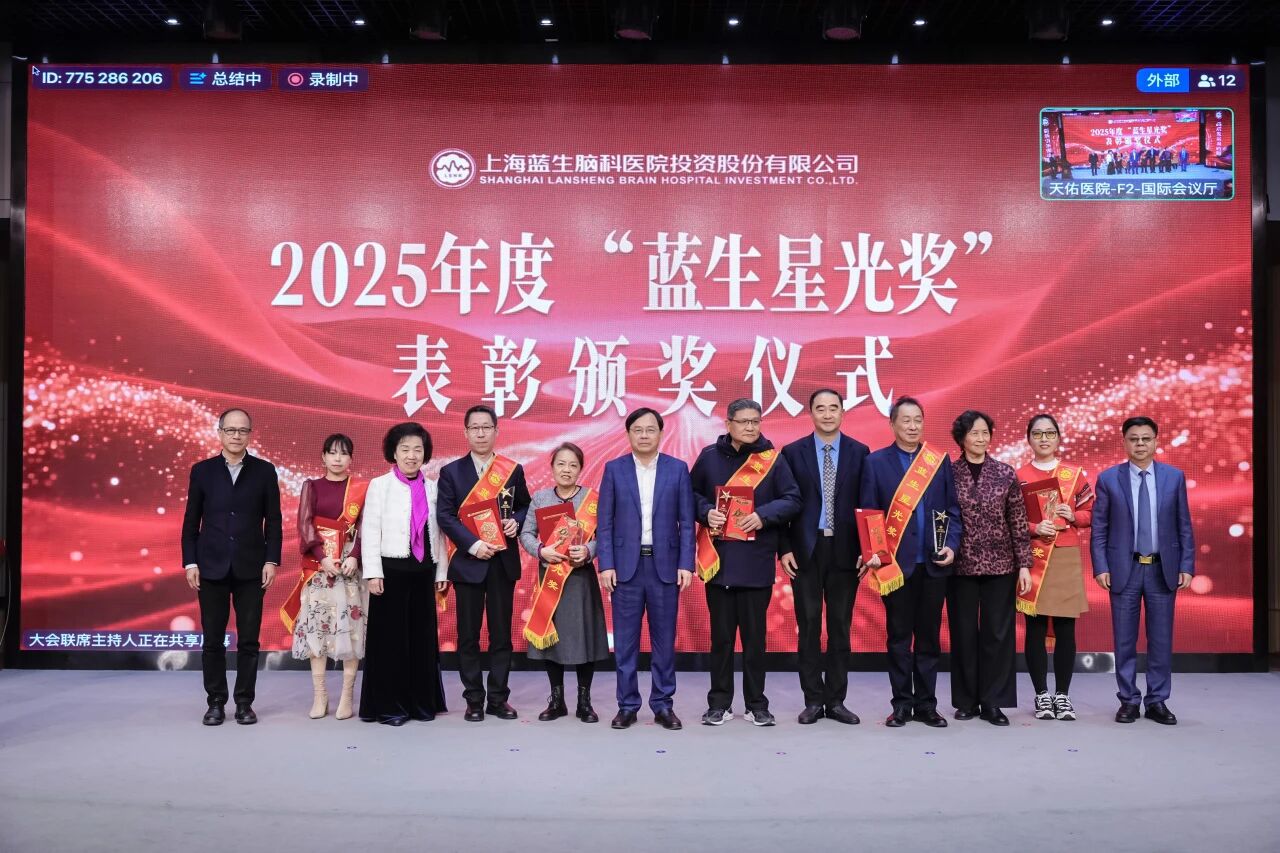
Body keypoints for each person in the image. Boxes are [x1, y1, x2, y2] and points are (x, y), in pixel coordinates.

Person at [691, 398, 801, 727]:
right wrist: (705, 511)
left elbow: (793, 499)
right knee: (721, 640)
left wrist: (762, 515)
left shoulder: (773, 459)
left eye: (755, 421)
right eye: (744, 422)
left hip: (756, 562)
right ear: (729, 424)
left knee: (755, 641)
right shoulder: (709, 457)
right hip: (719, 561)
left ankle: (757, 704)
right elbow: (691, 494)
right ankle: (719, 703)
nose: (751, 427)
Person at [859, 396, 961, 728]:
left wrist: (952, 546)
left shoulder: (938, 461)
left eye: (918, 419)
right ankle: (901, 704)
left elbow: (953, 510)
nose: (913, 426)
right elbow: (870, 513)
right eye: (906, 420)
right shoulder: (875, 462)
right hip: (894, 567)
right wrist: (874, 553)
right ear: (892, 424)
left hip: (933, 564)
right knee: (899, 638)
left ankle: (927, 705)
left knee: (929, 638)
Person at [1091, 416, 1195, 726]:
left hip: (1163, 568)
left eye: (1146, 438)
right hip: (1125, 568)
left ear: (1156, 441)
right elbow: (1099, 528)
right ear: (1124, 442)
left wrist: (1187, 565)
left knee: (1160, 640)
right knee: (1124, 640)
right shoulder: (1109, 479)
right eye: (1134, 439)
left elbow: (1184, 525)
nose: (1140, 444)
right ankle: (1128, 700)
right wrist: (1101, 566)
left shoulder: (1173, 477)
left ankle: (1157, 700)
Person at [181, 407, 282, 726]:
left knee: (249, 640)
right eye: (231, 430)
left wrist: (271, 559)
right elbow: (191, 520)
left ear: (250, 434)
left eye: (243, 430)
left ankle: (244, 703)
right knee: (213, 640)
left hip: (252, 567)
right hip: (210, 566)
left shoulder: (264, 471)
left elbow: (274, 520)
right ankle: (215, 702)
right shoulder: (203, 471)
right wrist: (190, 561)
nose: (237, 436)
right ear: (220, 433)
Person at [598, 407, 695, 730]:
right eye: (637, 430)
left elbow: (687, 523)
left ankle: (663, 704)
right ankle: (627, 705)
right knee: (625, 643)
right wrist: (606, 564)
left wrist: (686, 563)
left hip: (664, 567)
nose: (644, 435)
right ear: (628, 434)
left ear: (660, 433)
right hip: (625, 568)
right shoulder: (614, 469)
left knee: (663, 642)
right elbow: (604, 522)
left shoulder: (677, 469)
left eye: (650, 429)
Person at [778, 388, 870, 725]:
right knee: (809, 626)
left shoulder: (860, 452)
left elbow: (867, 503)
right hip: (806, 550)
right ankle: (813, 700)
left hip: (846, 551)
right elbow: (784, 503)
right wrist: (784, 548)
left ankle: (836, 701)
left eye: (833, 408)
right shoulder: (792, 452)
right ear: (811, 413)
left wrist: (868, 550)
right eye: (821, 408)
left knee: (840, 627)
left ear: (843, 412)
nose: (828, 414)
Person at [437, 405, 532, 722]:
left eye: (486, 427)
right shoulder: (451, 472)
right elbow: (445, 517)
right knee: (468, 635)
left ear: (496, 431)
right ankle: (474, 699)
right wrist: (474, 545)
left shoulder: (512, 470)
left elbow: (525, 506)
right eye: (474, 428)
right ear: (465, 433)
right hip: (469, 562)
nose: (480, 433)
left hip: (502, 562)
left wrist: (516, 522)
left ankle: (498, 699)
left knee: (501, 635)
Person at [358, 422, 450, 725]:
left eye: (418, 450)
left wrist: (441, 571)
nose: (412, 456)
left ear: (425, 453)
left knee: (422, 641)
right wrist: (373, 573)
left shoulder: (433, 487)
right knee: (390, 643)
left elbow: (439, 534)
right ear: (394, 453)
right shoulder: (380, 485)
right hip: (390, 571)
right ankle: (390, 707)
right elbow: (370, 530)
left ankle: (422, 704)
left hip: (424, 571)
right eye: (405, 449)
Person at [947, 411, 1032, 727]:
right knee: (964, 634)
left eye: (985, 432)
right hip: (960, 566)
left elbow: (1018, 521)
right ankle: (966, 701)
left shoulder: (1005, 473)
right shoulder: (948, 473)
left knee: (998, 634)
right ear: (961, 438)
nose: (981, 438)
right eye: (974, 433)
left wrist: (1024, 564)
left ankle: (993, 702)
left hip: (1001, 565)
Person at [519, 443, 610, 723]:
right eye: (561, 464)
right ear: (552, 467)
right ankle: (556, 701)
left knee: (584, 638)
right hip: (550, 578)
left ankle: (584, 702)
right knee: (551, 639)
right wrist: (541, 551)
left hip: (580, 578)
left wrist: (589, 550)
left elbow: (605, 535)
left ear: (580, 469)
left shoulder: (593, 500)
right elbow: (526, 534)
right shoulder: (541, 498)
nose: (566, 470)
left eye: (573, 465)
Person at [1017, 414, 1095, 722]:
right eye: (1038, 434)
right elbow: (1011, 520)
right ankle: (1041, 695)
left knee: (1065, 627)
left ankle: (1062, 695)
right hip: (1033, 555)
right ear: (1029, 439)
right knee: (1034, 627)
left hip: (1064, 555)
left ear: (1059, 437)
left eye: (1050, 433)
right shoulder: (1019, 475)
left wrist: (1073, 516)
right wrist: (1035, 527)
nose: (1044, 439)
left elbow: (1091, 512)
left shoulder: (1074, 474)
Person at [286, 433, 369, 720]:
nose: (337, 458)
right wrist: (322, 558)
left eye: (343, 453)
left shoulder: (361, 489)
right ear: (322, 456)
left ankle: (347, 696)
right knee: (317, 628)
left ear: (351, 458)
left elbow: (366, 526)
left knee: (351, 628)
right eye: (332, 453)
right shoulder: (312, 486)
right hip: (319, 566)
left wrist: (354, 555)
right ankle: (320, 695)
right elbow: (305, 525)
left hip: (349, 567)